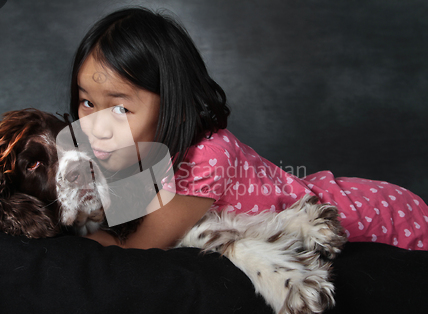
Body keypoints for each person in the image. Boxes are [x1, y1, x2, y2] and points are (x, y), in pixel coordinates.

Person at [68, 7, 428, 251]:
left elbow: (137, 248)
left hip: (374, 214)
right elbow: (114, 214)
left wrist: (62, 236)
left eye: (120, 108)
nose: (96, 125)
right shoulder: (139, 152)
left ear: (176, 107)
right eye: (87, 102)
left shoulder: (206, 156)